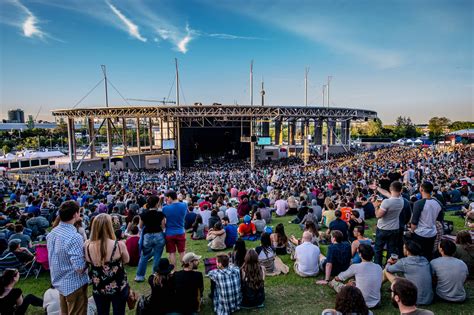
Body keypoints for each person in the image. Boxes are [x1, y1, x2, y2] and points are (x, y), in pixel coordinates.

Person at [47, 200, 89, 315]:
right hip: (74, 284)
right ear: (75, 214)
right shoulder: (74, 237)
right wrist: (90, 258)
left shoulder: (52, 233)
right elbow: (79, 267)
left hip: (60, 281)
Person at [85, 213, 130, 315]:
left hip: (99, 288)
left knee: (102, 312)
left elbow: (87, 262)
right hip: (118, 287)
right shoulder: (119, 245)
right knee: (119, 312)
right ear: (109, 226)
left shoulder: (87, 246)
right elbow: (127, 260)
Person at [329, 244, 382, 308]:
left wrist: (335, 279)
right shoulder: (378, 267)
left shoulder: (356, 267)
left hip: (359, 303)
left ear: (360, 254)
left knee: (335, 282)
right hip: (376, 303)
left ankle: (332, 283)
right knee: (353, 282)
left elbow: (339, 278)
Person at [384, 239, 433, 305]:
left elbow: (388, 269)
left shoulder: (403, 262)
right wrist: (398, 262)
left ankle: (375, 290)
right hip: (428, 299)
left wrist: (389, 262)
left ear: (408, 251)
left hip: (413, 299)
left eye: (404, 248)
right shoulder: (425, 260)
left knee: (385, 271)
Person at [410, 182, 444, 261]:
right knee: (428, 255)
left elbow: (414, 222)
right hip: (432, 233)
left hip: (420, 233)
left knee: (418, 255)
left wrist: (412, 231)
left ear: (421, 189)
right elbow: (439, 219)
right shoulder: (438, 203)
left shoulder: (418, 203)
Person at [135, 196, 166, 282]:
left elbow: (140, 226)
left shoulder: (143, 214)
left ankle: (139, 276)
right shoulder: (160, 214)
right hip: (158, 235)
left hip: (147, 236)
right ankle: (154, 275)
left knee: (144, 256)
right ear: (156, 204)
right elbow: (163, 227)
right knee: (157, 256)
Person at [373, 181, 404, 266]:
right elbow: (387, 193)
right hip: (395, 228)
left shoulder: (387, 202)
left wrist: (376, 206)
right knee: (391, 249)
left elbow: (378, 215)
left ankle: (377, 266)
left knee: (378, 249)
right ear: (401, 190)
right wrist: (377, 188)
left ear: (391, 189)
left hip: (383, 228)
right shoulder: (401, 199)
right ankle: (388, 266)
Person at [162, 190, 187, 267]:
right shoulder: (184, 205)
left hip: (169, 233)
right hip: (180, 231)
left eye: (167, 198)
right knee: (182, 252)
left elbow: (163, 223)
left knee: (171, 253)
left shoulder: (165, 208)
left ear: (169, 197)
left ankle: (173, 270)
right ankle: (185, 270)